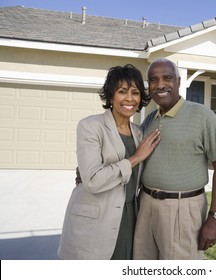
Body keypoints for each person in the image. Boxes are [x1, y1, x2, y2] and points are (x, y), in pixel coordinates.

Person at [58, 64, 160, 260]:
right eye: (122, 92)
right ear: (111, 96)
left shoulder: (140, 133)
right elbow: (93, 180)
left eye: (135, 93)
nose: (129, 98)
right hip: (96, 218)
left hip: (130, 216)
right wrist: (136, 158)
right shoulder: (91, 126)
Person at [133, 58, 216, 260]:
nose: (160, 85)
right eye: (153, 80)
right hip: (146, 206)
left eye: (167, 78)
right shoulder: (150, 119)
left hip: (183, 209)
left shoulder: (203, 116)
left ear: (178, 81)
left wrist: (214, 218)